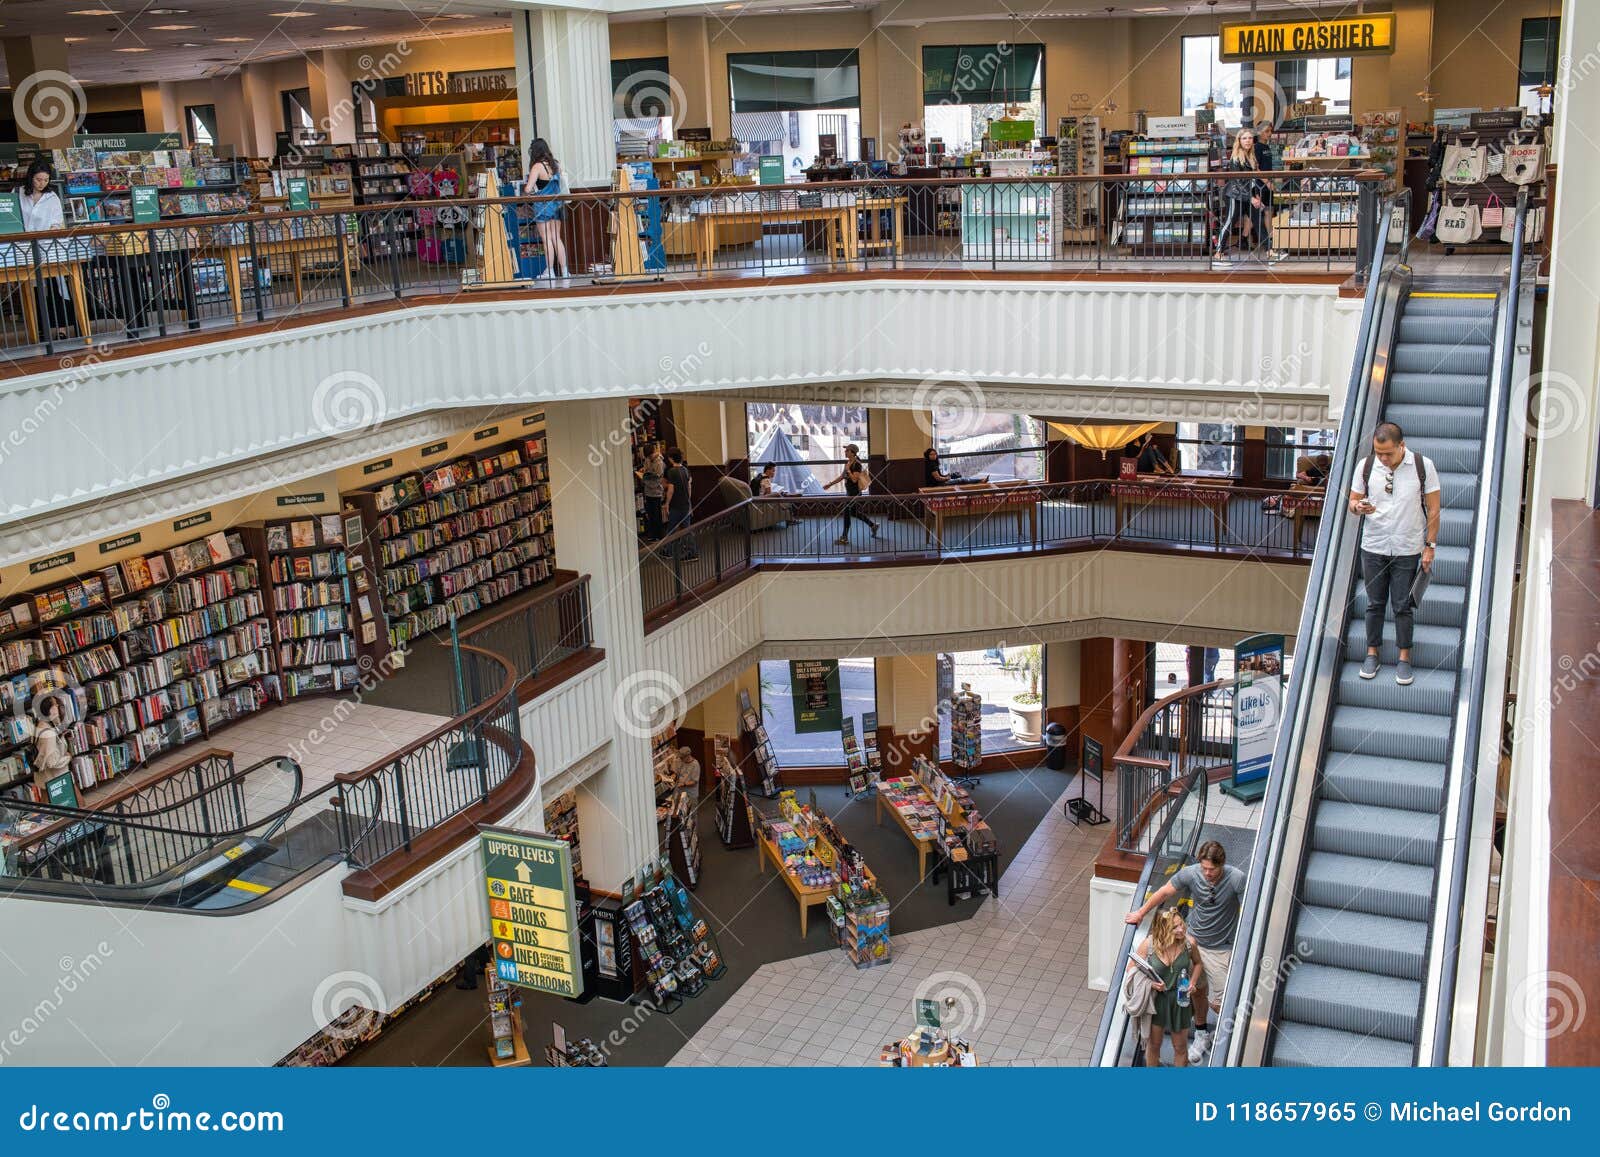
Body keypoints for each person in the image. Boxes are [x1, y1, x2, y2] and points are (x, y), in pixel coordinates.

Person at [1125, 839, 1244, 1063]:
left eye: (1213, 869)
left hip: (1220, 947)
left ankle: (1236, 1043)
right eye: (1204, 868)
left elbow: (1252, 905)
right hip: (1193, 940)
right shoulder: (1192, 873)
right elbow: (1163, 892)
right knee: (1197, 991)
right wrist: (1141, 913)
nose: (1208, 873)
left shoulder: (1236, 878)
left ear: (1222, 864)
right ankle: (1200, 1032)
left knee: (1219, 1003)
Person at [1350, 421, 1440, 686]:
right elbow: (1353, 501)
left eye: (1388, 453)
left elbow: (1434, 509)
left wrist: (1430, 546)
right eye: (1379, 453)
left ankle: (1404, 657)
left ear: (1402, 446)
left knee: (1402, 605)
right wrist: (1358, 507)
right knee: (1374, 603)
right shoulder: (1366, 466)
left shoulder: (1423, 467)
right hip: (1374, 544)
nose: (1383, 458)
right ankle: (1372, 653)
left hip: (1407, 546)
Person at [1126, 907, 1203, 1067]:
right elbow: (1131, 968)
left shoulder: (1189, 944)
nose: (1181, 929)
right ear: (1163, 928)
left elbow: (1198, 963)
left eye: (1181, 924)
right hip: (1157, 1001)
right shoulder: (1149, 945)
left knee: (1180, 1047)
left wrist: (1193, 982)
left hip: (1180, 999)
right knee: (1154, 1046)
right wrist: (1151, 984)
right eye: (1175, 927)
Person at [19, 160, 75, 341]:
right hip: (25, 249)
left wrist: (52, 229)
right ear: (30, 178)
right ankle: (40, 330)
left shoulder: (52, 197)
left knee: (55, 286)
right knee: (34, 290)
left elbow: (57, 223)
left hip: (49, 248)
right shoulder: (18, 194)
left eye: (45, 180)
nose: (41, 183)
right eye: (37, 179)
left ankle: (61, 328)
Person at [1215, 129, 1284, 261]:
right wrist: (1252, 198)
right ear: (1239, 141)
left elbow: (1253, 180)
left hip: (1249, 195)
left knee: (1258, 221)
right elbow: (1237, 182)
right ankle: (1218, 252)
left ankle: (1269, 251)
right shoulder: (1236, 158)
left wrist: (1256, 196)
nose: (1248, 141)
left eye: (1250, 138)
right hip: (1235, 195)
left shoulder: (1251, 157)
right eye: (1245, 138)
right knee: (1229, 222)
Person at [522, 138, 570, 279]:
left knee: (547, 239)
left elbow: (528, 188)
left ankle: (550, 271)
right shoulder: (556, 164)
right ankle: (565, 271)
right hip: (557, 206)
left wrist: (529, 191)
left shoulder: (537, 167)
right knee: (557, 238)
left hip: (542, 206)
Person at [826, 443, 879, 545]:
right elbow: (842, 477)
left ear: (852, 452)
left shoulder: (857, 464)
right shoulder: (848, 463)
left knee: (846, 513)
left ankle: (844, 537)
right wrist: (830, 484)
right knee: (853, 513)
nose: (845, 452)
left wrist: (848, 470)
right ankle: (873, 525)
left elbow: (854, 479)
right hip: (849, 492)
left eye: (847, 450)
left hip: (854, 493)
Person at [30, 699, 73, 795]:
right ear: (50, 710)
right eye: (56, 705)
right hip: (56, 779)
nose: (58, 707)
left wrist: (60, 737)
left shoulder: (41, 724)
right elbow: (52, 762)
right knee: (78, 803)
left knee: (47, 807)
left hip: (46, 779)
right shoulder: (48, 732)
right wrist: (68, 757)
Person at [662, 447, 697, 559]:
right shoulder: (686, 470)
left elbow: (671, 489)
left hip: (676, 505)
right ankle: (692, 552)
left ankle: (668, 551)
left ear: (671, 458)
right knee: (687, 529)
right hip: (685, 504)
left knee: (671, 529)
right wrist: (688, 501)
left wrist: (667, 503)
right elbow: (689, 487)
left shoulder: (672, 472)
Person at [636, 441, 666, 540]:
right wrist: (643, 471)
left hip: (656, 492)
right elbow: (646, 468)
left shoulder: (659, 462)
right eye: (648, 457)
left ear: (653, 452)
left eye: (650, 456)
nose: (649, 458)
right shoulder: (647, 459)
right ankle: (652, 535)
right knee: (650, 514)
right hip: (648, 491)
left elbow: (658, 478)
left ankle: (659, 535)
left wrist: (646, 477)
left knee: (657, 515)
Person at [674, 746, 702, 811]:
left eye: (682, 757)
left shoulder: (695, 765)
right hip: (679, 792)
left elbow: (694, 782)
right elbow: (676, 773)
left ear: (688, 756)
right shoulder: (679, 761)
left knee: (691, 814)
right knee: (679, 812)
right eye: (680, 757)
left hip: (691, 794)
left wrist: (683, 784)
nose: (680, 759)